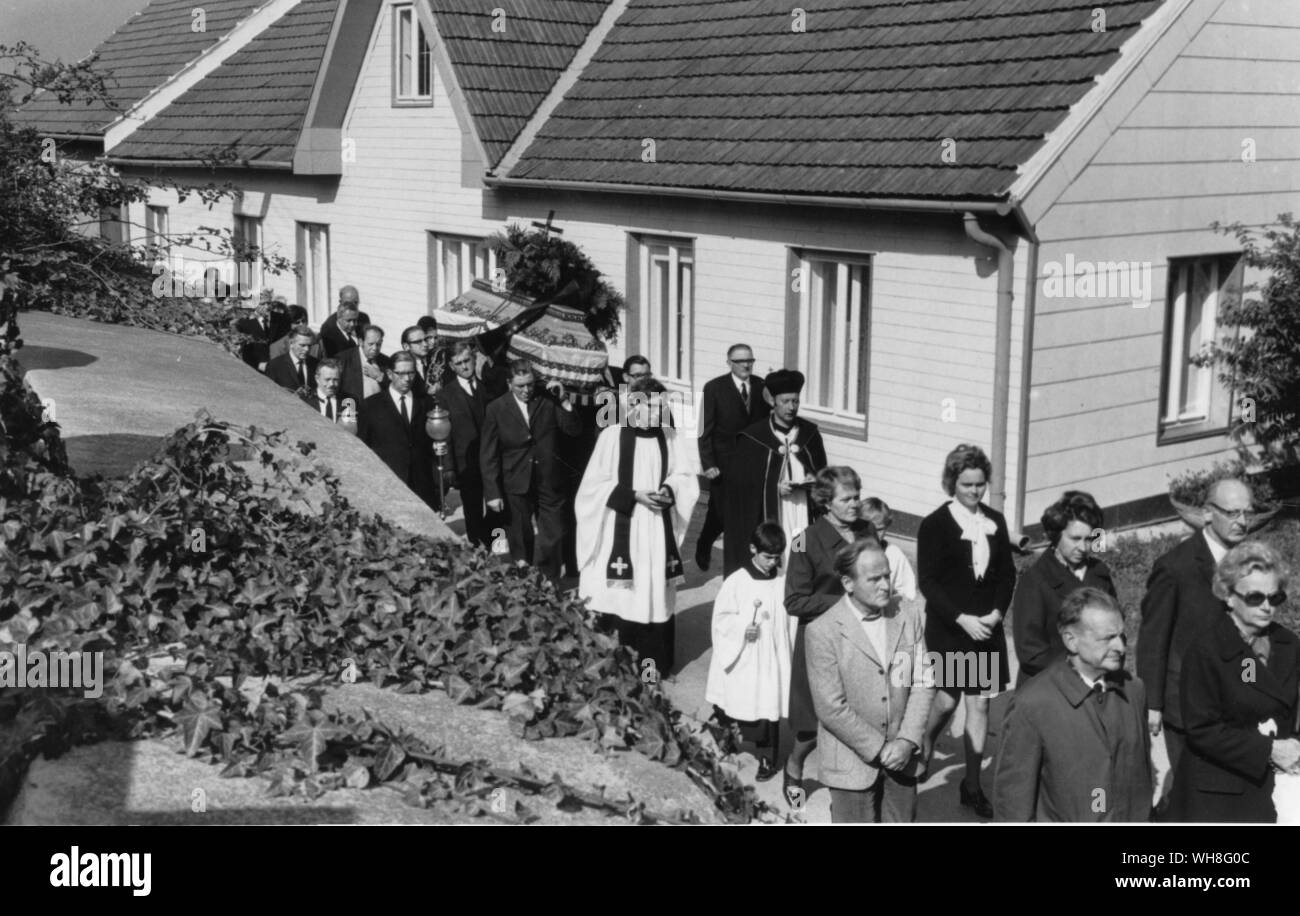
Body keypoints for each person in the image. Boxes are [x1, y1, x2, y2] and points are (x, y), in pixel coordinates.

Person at [1138, 476, 1254, 811]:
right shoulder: (1176, 568)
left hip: (1234, 701)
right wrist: (1154, 703)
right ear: (1207, 513)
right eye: (1232, 513)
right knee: (1198, 787)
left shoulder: (1251, 562)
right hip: (1186, 704)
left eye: (1246, 513)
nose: (1242, 521)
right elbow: (1153, 638)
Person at [917, 443, 1016, 819]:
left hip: (985, 628)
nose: (975, 492)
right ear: (952, 484)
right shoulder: (935, 525)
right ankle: (925, 739)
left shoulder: (995, 521)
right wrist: (961, 618)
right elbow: (928, 581)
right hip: (952, 627)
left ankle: (972, 784)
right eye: (967, 485)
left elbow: (1007, 574)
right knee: (947, 699)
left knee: (980, 702)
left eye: (980, 485)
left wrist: (995, 613)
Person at [1168, 541, 1300, 822]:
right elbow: (1202, 729)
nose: (1267, 607)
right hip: (1222, 790)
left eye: (1274, 598)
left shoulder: (1289, 644)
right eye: (1255, 597)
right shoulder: (1206, 650)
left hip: (1279, 783)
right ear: (1228, 596)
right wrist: (1268, 751)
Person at [993, 587, 1151, 821]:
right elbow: (1013, 804)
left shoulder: (1134, 690)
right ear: (1071, 640)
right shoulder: (1033, 704)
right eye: (1107, 638)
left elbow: (1141, 777)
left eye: (1121, 635)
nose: (1120, 646)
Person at [807, 538, 933, 823]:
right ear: (848, 583)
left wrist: (907, 740)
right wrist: (879, 749)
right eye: (874, 579)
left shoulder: (907, 614)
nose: (885, 585)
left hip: (904, 758)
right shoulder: (822, 631)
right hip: (851, 764)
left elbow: (923, 681)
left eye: (887, 575)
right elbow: (830, 707)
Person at [576, 377, 698, 673]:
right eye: (654, 408)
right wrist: (633, 496)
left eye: (662, 407)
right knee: (619, 595)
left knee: (652, 592)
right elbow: (592, 487)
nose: (659, 414)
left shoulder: (669, 436)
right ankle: (613, 665)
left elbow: (684, 476)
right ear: (634, 404)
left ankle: (651, 665)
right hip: (620, 526)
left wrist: (669, 491)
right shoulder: (613, 435)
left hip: (656, 527)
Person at [783, 466, 877, 805]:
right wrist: (845, 601)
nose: (854, 504)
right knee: (812, 726)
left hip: (864, 640)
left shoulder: (867, 531)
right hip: (823, 641)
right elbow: (794, 600)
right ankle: (794, 765)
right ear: (825, 502)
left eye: (856, 497)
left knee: (858, 718)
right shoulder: (805, 540)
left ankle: (850, 791)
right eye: (846, 499)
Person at [706, 522, 793, 781]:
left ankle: (767, 757)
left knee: (766, 705)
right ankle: (726, 740)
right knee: (731, 698)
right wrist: (743, 628)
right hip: (741, 654)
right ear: (753, 548)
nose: (772, 563)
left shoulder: (782, 581)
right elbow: (720, 619)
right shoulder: (737, 581)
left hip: (768, 657)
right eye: (767, 557)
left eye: (777, 557)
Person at [480, 359, 582, 581]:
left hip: (549, 479)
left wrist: (564, 400)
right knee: (520, 535)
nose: (526, 390)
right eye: (520, 386)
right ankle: (523, 578)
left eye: (530, 385)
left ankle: (548, 580)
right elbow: (488, 454)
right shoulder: (496, 408)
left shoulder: (548, 401)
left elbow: (573, 430)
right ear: (509, 383)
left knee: (553, 534)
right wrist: (492, 492)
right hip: (515, 479)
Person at [721, 368, 825, 576]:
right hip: (771, 513)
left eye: (795, 401)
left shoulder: (809, 434)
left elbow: (823, 474)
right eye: (785, 401)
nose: (791, 407)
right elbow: (739, 485)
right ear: (773, 401)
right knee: (776, 556)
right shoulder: (753, 437)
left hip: (801, 511)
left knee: (799, 549)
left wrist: (815, 480)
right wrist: (773, 488)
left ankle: (796, 587)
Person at [1010, 491, 1117, 685]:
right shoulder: (1035, 581)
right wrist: (1081, 672)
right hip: (1050, 689)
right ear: (1056, 536)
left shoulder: (1100, 574)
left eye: (1089, 539)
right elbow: (1030, 652)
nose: (1083, 548)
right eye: (1075, 539)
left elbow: (1116, 629)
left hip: (1099, 684)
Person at [695, 344, 769, 570]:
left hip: (753, 464)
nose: (746, 365)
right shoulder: (714, 388)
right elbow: (703, 430)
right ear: (729, 363)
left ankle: (745, 562)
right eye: (740, 361)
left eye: (750, 360)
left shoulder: (762, 386)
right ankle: (704, 543)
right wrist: (708, 464)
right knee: (719, 513)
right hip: (723, 464)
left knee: (752, 515)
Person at [357, 351, 439, 510]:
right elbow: (363, 447)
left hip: (422, 483)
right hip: (389, 483)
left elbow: (432, 439)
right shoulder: (371, 406)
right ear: (389, 373)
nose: (407, 379)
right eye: (401, 373)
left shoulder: (426, 403)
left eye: (411, 373)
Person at [439, 341, 497, 548]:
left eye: (467, 360)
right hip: (465, 463)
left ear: (473, 359)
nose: (464, 366)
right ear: (452, 366)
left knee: (494, 507)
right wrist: (449, 467)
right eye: (459, 363)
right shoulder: (445, 395)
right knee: (472, 509)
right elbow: (445, 435)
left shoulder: (485, 388)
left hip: (489, 461)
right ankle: (476, 546)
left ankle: (489, 544)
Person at [859, 497, 917, 601]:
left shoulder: (893, 554)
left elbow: (907, 591)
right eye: (869, 528)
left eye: (880, 529)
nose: (874, 534)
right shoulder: (851, 551)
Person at [337, 324, 390, 405]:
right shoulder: (343, 359)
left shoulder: (386, 361)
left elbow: (393, 387)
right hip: (352, 410)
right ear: (361, 342)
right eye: (371, 344)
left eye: (378, 344)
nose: (375, 348)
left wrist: (380, 377)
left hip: (378, 412)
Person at [264, 326, 318, 393]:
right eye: (302, 345)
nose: (307, 349)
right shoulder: (275, 366)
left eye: (309, 346)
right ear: (291, 343)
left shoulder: (316, 364)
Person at [320, 293, 362, 357]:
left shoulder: (359, 329)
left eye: (355, 320)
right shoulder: (330, 337)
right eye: (348, 320)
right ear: (339, 318)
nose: (352, 324)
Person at [302, 357, 345, 422]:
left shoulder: (348, 401)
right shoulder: (305, 401)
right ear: (317, 379)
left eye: (335, 380)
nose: (331, 384)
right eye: (327, 379)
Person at [400, 325, 436, 395]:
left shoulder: (434, 362)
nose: (425, 344)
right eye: (419, 341)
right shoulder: (401, 367)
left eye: (426, 340)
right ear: (406, 346)